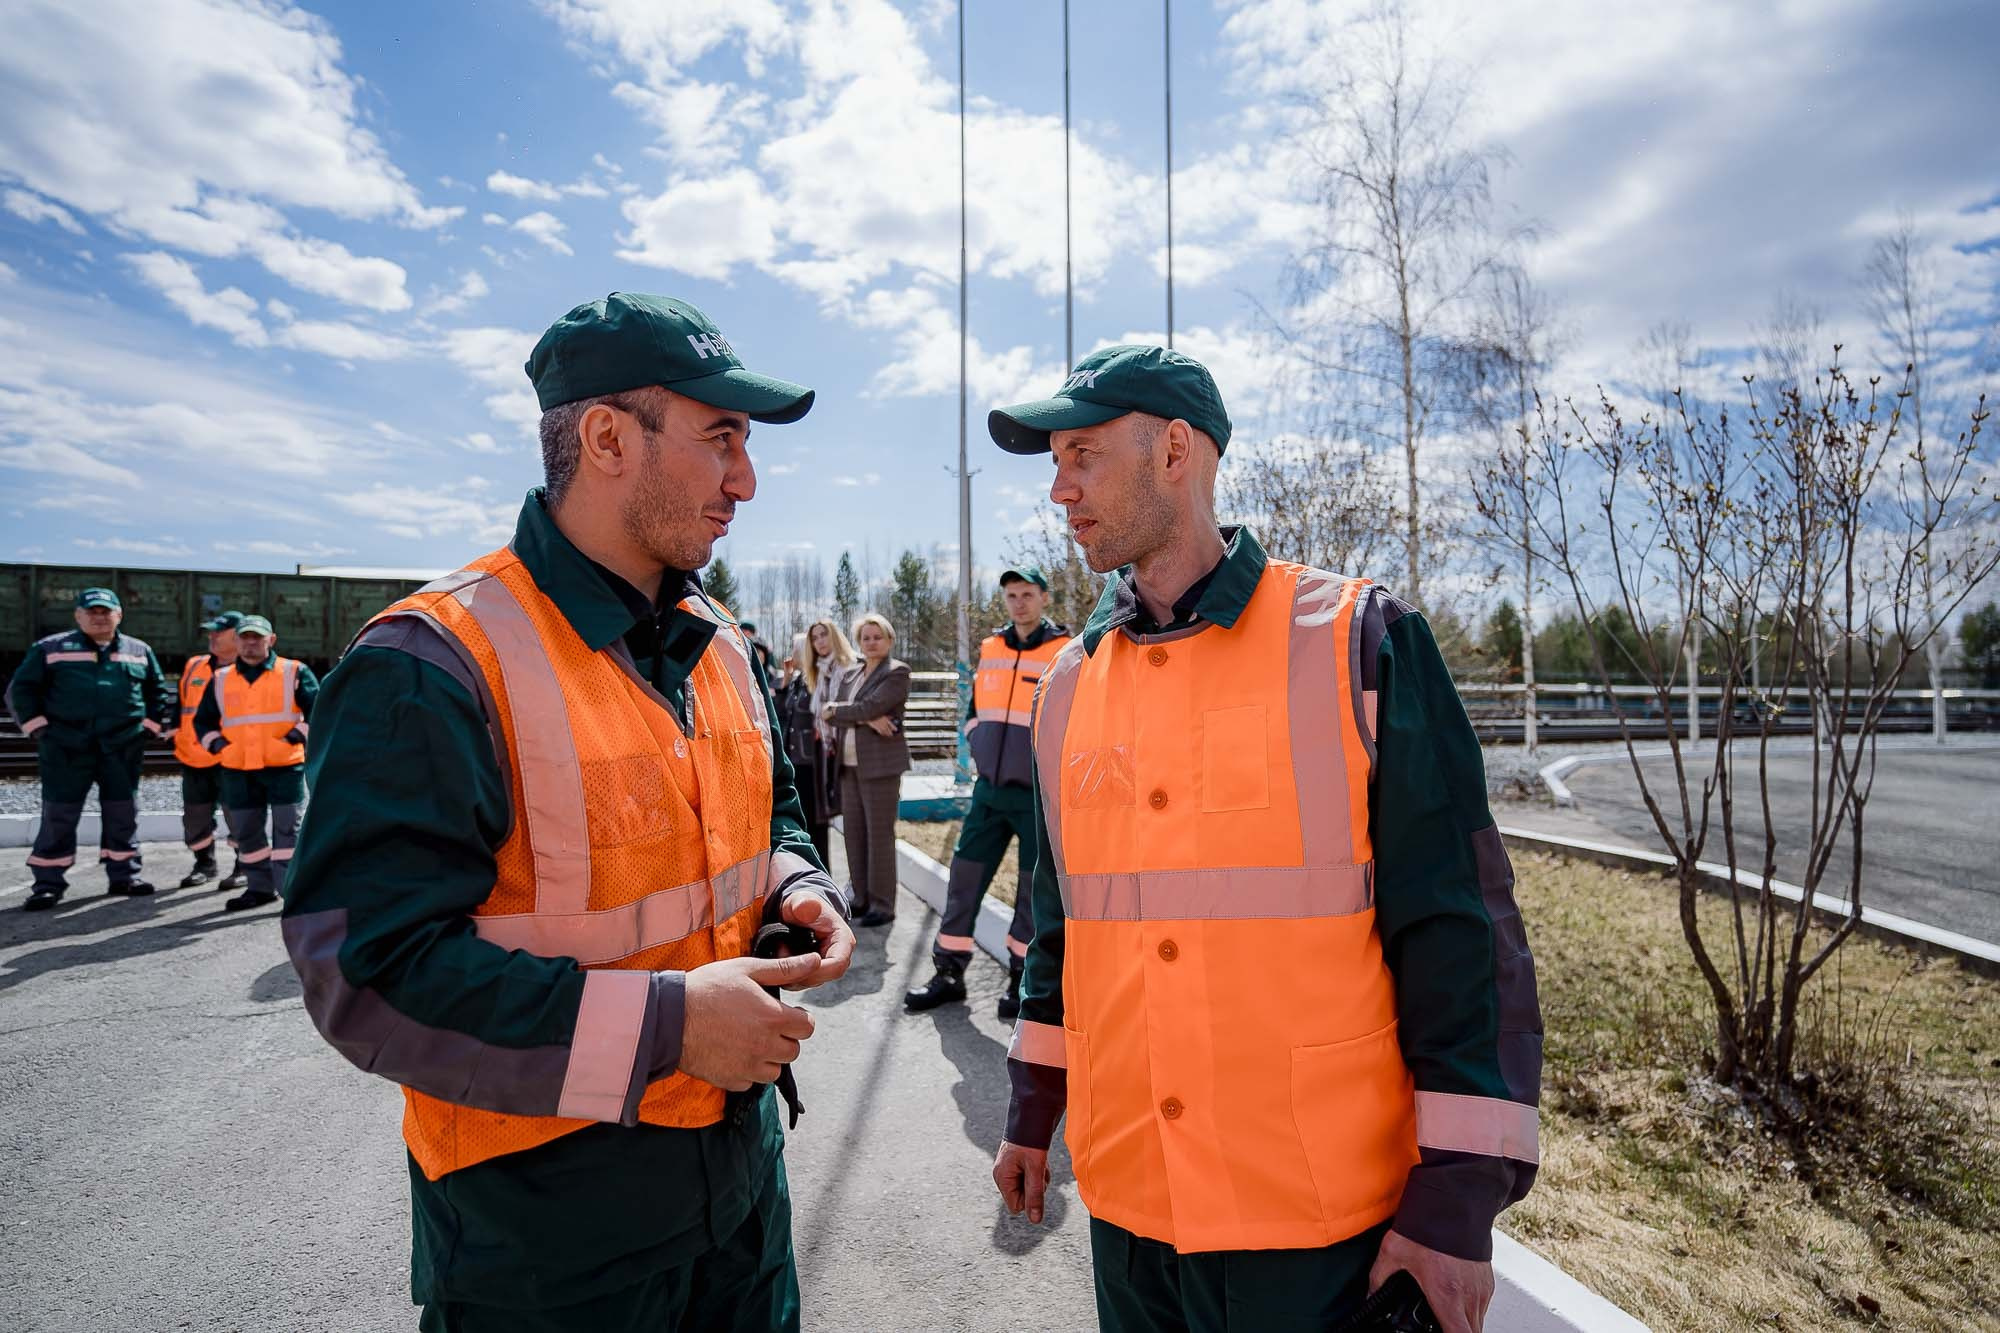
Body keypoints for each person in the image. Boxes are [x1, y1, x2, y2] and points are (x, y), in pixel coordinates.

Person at [282, 291, 854, 1333]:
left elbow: (769, 811)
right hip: (543, 1242)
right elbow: (367, 979)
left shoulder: (719, 642)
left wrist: (798, 883)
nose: (746, 479)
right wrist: (673, 1026)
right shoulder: (433, 661)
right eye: (720, 436)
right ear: (604, 439)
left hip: (737, 1190)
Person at [987, 346, 1543, 1333]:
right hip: (1128, 1214)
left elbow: (1459, 935)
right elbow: (1058, 928)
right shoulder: (1067, 688)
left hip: (1317, 1232)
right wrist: (1034, 1107)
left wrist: (1455, 1206)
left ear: (1172, 450)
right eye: (1052, 462)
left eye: (1079, 453)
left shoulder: (1357, 640)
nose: (1058, 488)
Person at [904, 567, 1070, 1017]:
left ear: (1043, 598)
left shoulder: (1066, 651)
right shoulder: (991, 648)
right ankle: (949, 973)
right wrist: (976, 736)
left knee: (1031, 893)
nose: (1019, 602)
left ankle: (1022, 981)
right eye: (1012, 595)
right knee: (964, 879)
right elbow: (976, 708)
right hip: (989, 792)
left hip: (1036, 796)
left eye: (1027, 594)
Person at [6, 587, 170, 910]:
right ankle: (48, 884)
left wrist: (148, 727)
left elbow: (156, 691)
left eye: (105, 612)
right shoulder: (51, 648)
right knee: (60, 815)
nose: (99, 617)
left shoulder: (139, 650)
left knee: (123, 813)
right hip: (66, 749)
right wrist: (38, 728)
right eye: (91, 611)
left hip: (122, 748)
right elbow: (21, 690)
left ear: (118, 615)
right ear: (78, 616)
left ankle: (124, 875)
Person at [191, 615, 317, 912]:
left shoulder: (294, 671)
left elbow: (319, 712)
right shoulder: (221, 679)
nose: (250, 643)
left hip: (284, 767)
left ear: (270, 640)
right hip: (237, 769)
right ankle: (259, 889)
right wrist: (219, 746)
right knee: (248, 833)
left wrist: (293, 738)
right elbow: (203, 721)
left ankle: (292, 893)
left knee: (288, 833)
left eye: (257, 638)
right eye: (244, 638)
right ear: (236, 641)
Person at [819, 613, 909, 929]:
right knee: (854, 834)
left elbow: (861, 707)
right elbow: (834, 714)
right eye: (866, 637)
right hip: (848, 766)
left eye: (877, 637)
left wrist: (848, 712)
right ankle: (859, 898)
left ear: (889, 640)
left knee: (879, 836)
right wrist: (865, 717)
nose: (871, 643)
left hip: (880, 767)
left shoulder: (897, 673)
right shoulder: (851, 675)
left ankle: (882, 905)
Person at [174, 609, 247, 891]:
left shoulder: (251, 668)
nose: (212, 636)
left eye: (219, 631)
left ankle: (244, 865)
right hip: (195, 756)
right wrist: (172, 732)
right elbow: (182, 705)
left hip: (234, 758)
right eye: (211, 631)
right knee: (195, 816)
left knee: (239, 815)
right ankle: (204, 863)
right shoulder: (195, 665)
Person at [773, 633, 833, 864]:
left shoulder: (816, 681)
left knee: (816, 822)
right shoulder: (796, 682)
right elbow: (779, 713)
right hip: (794, 759)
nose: (791, 655)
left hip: (811, 762)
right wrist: (786, 679)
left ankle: (822, 871)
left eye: (796, 650)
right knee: (803, 819)